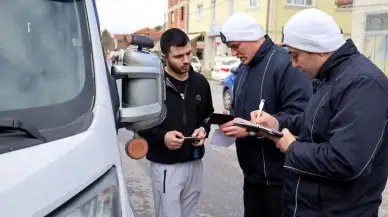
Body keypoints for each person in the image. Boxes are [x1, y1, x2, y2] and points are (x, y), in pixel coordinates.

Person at [251, 8, 388, 217]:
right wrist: (277, 124)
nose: (294, 65)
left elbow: (346, 161)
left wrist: (292, 148)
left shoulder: (361, 84)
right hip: (312, 206)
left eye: (296, 55)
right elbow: (315, 123)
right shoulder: (332, 76)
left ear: (320, 49)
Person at [218, 12, 313, 217]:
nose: (234, 53)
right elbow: (242, 111)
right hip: (252, 175)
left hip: (279, 178)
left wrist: (253, 131)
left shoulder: (286, 64)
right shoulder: (244, 68)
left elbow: (302, 117)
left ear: (251, 37)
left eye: (236, 46)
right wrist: (232, 121)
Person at [137, 28, 214, 217]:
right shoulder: (153, 85)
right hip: (165, 166)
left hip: (194, 163)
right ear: (165, 56)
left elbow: (208, 115)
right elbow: (140, 124)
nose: (186, 60)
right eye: (179, 56)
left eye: (189, 53)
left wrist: (203, 130)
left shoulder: (200, 82)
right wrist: (163, 137)